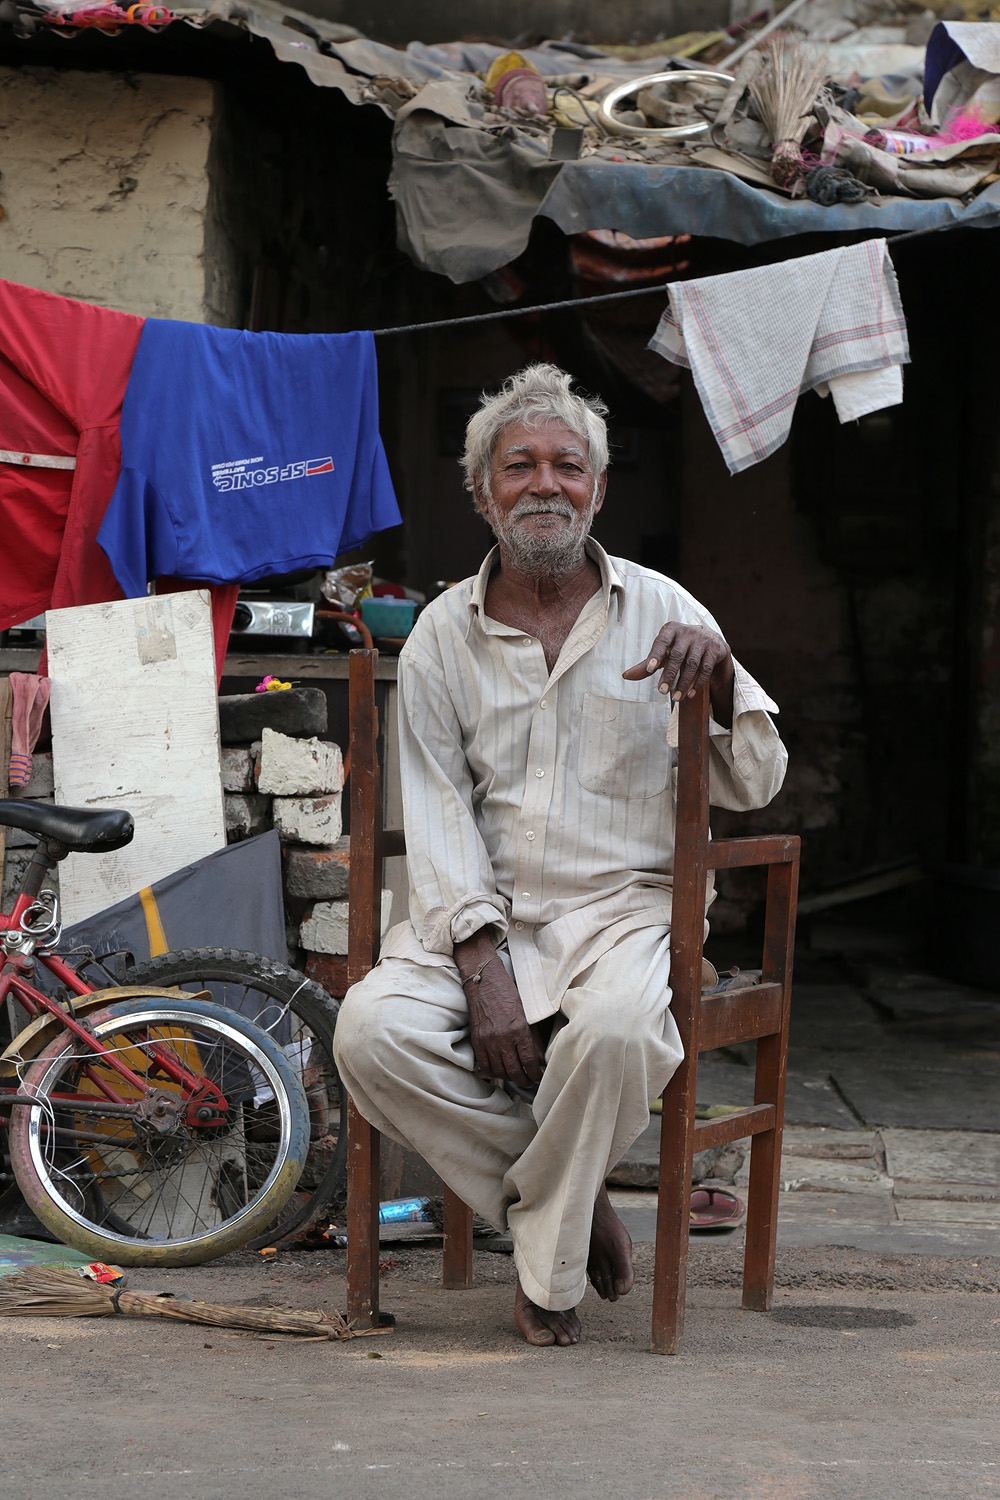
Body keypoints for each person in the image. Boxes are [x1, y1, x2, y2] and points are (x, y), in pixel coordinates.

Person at [334, 364, 787, 1347]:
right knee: (367, 1033)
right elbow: (440, 813)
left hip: (622, 914)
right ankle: (570, 1205)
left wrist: (721, 686)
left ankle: (546, 1268)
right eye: (519, 466)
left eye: (566, 466)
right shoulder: (439, 641)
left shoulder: (667, 612)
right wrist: (481, 963)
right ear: (482, 491)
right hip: (482, 916)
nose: (544, 483)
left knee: (620, 1033)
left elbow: (755, 784)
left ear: (598, 488)